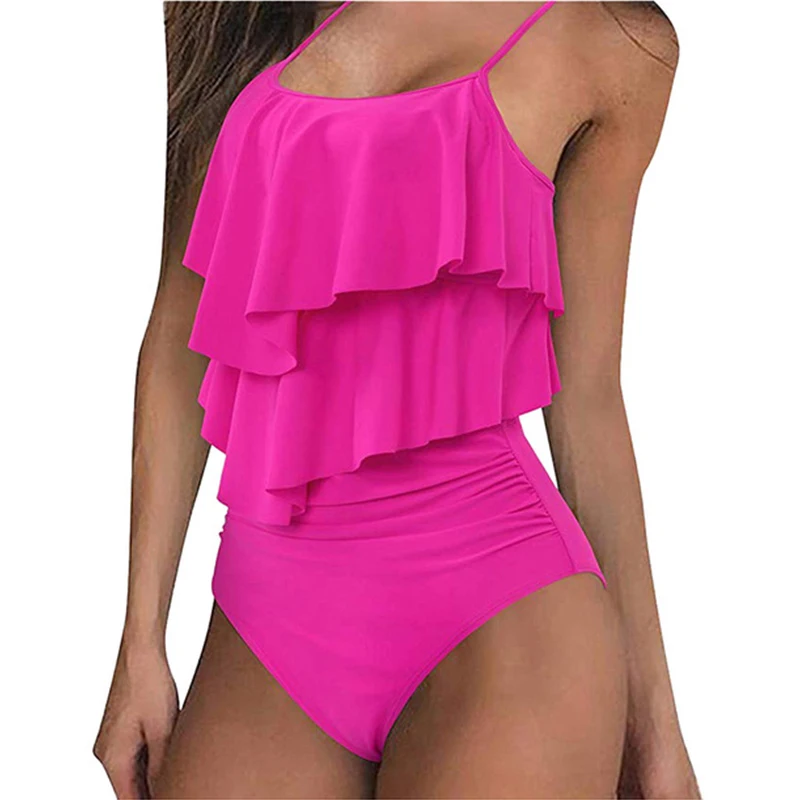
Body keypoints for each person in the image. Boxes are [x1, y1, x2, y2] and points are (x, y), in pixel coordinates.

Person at [94, 2, 699, 797]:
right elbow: (181, 332)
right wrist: (140, 642)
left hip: (504, 612)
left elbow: (586, 395)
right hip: (266, 612)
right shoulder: (247, 13)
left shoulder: (611, 42)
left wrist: (655, 730)